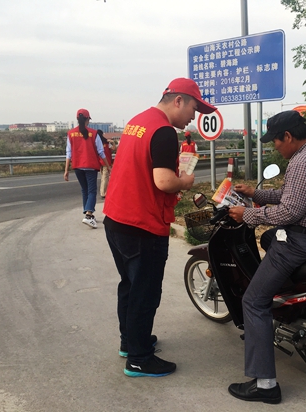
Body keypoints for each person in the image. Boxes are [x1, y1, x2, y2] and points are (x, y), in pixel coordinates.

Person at [103, 78, 217, 378]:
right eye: (194, 107)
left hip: (116, 220)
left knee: (129, 285)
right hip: (142, 225)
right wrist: (186, 181)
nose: (195, 116)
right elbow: (164, 182)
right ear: (178, 101)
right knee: (145, 292)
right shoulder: (164, 131)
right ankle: (139, 358)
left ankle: (130, 342)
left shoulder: (138, 121)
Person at [227, 110, 306, 404]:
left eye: (275, 141)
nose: (274, 147)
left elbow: (290, 212)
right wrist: (256, 193)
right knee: (268, 238)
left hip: (298, 241)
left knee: (253, 301)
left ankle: (265, 384)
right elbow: (295, 196)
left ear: (288, 137)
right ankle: (290, 305)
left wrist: (247, 214)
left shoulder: (301, 162)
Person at [64, 109, 110, 229]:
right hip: (90, 166)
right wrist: (108, 166)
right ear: (87, 119)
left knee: (85, 190)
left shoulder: (71, 133)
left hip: (77, 166)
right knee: (92, 191)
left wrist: (66, 170)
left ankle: (88, 214)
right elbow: (101, 152)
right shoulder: (94, 133)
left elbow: (68, 153)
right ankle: (89, 215)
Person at [97, 129, 117, 199]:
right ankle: (103, 193)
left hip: (100, 162)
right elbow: (114, 148)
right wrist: (113, 142)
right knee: (105, 178)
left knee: (103, 178)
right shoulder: (106, 143)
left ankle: (103, 191)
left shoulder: (96, 143)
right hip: (106, 162)